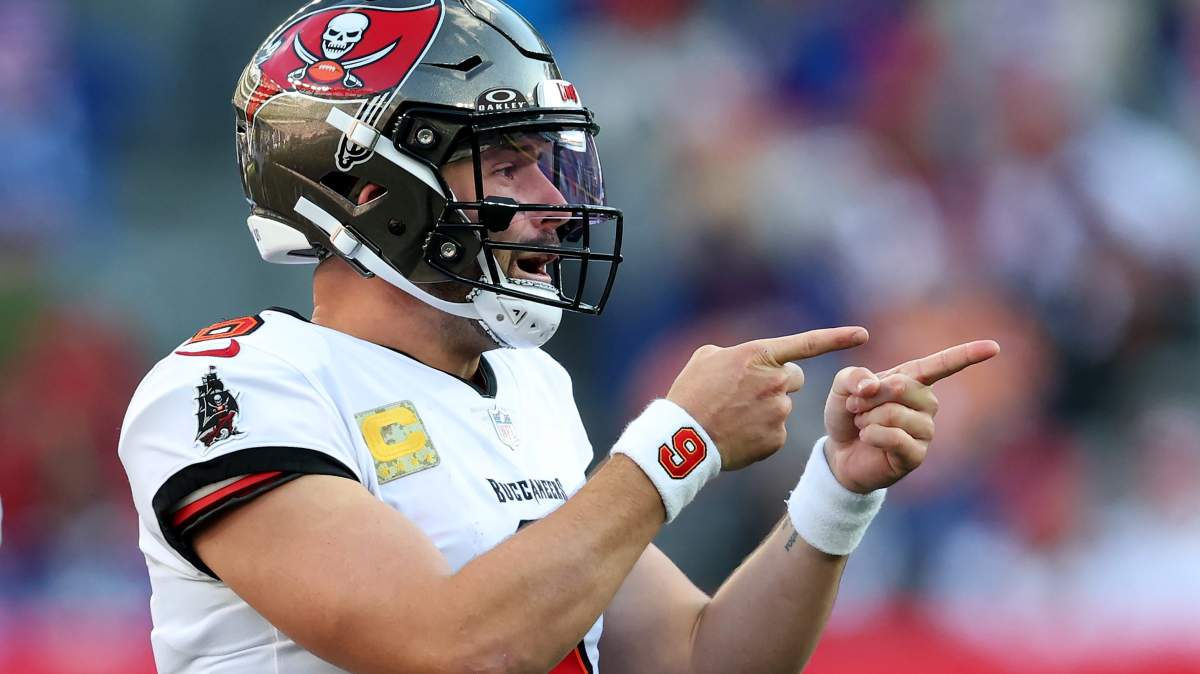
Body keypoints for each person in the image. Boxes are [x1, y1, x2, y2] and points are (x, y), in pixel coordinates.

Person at [119, 1, 999, 672]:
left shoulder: (530, 387)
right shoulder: (234, 387)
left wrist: (836, 493)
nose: (554, 203)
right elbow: (450, 649)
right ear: (374, 195)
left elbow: (697, 656)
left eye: (547, 163)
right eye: (507, 165)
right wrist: (679, 442)